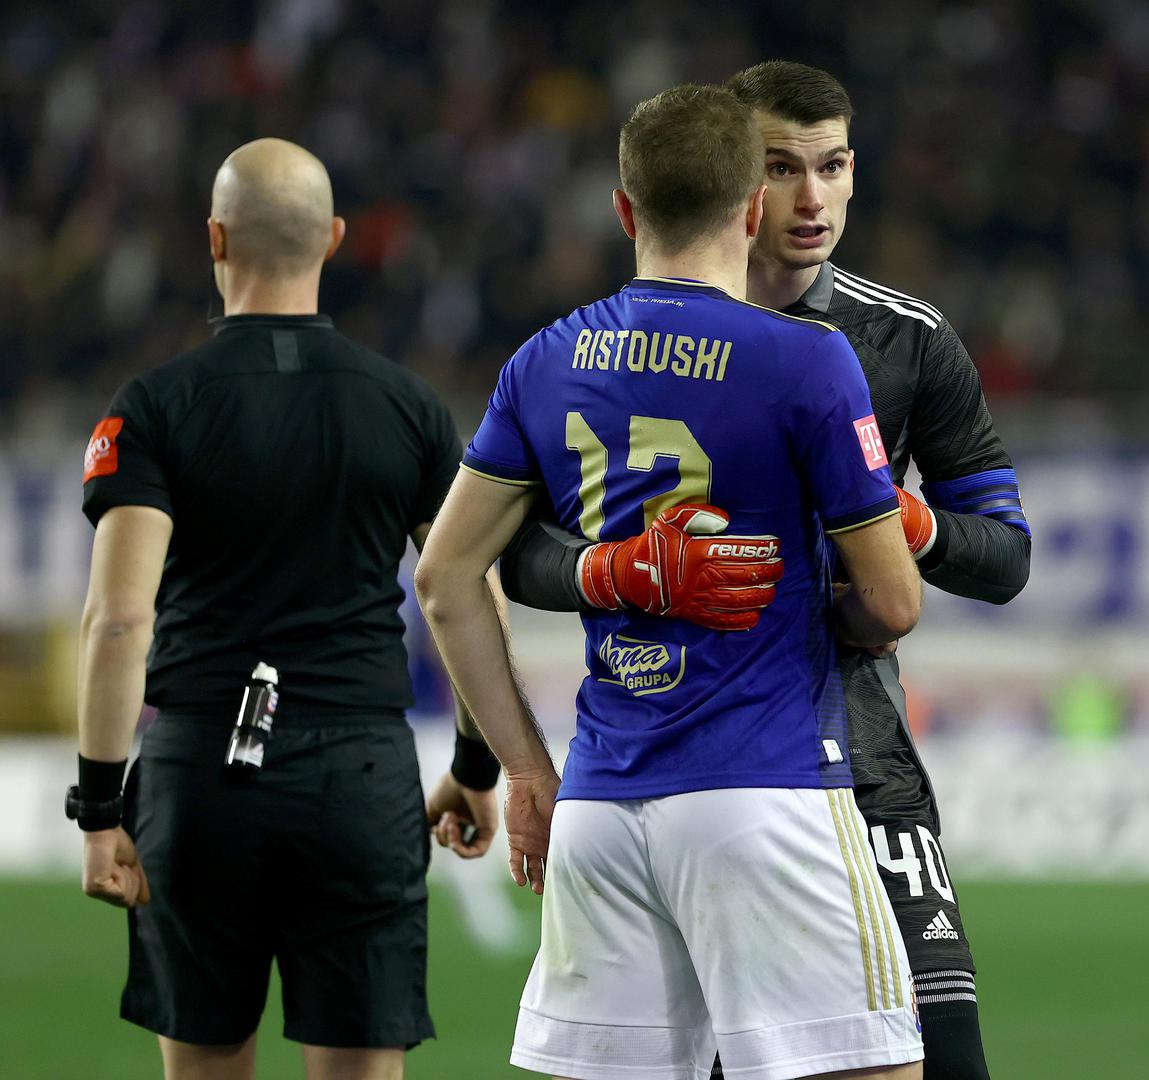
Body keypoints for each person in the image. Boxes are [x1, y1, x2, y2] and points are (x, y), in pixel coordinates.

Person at [499, 61, 1028, 1079]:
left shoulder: (904, 340)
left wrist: (907, 521)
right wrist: (623, 570)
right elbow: (517, 550)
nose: (812, 197)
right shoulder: (623, 345)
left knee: (946, 1058)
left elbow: (1005, 555)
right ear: (738, 180)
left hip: (862, 760)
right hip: (695, 763)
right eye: (782, 168)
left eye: (834, 166)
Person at [413, 83, 926, 1079]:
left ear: (623, 209)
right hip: (766, 787)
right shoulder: (807, 360)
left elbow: (444, 578)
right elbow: (893, 601)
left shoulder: (541, 362)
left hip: (602, 805)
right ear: (752, 208)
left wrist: (525, 771)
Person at [69, 137, 502, 1080]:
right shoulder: (410, 408)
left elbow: (118, 621)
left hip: (201, 773)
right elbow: (464, 593)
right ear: (334, 238)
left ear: (214, 239)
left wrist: (98, 809)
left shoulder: (153, 407)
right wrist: (477, 763)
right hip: (359, 770)